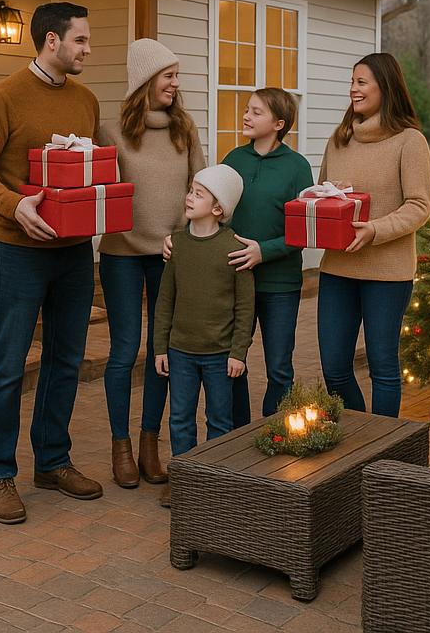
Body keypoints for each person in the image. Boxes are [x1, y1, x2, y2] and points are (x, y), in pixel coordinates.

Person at [0, 1, 103, 525]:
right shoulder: (3, 97)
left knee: (66, 361)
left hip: (74, 254)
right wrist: (14, 204)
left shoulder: (86, 100)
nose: (88, 49)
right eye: (80, 40)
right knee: (8, 364)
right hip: (18, 252)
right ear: (51, 41)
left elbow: (92, 169)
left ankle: (52, 462)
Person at [97, 38, 205, 489]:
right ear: (145, 79)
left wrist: (185, 236)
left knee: (162, 351)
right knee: (125, 351)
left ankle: (149, 444)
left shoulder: (185, 128)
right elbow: (102, 194)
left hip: (170, 255)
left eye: (176, 76)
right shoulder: (110, 131)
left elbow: (200, 184)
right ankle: (121, 446)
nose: (176, 84)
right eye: (168, 76)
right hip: (121, 255)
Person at [316, 52, 430, 418]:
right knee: (334, 368)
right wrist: (331, 194)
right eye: (352, 82)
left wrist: (375, 230)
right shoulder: (339, 140)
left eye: (361, 82)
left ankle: (383, 444)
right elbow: (322, 192)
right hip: (338, 267)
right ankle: (357, 434)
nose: (353, 89)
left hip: (388, 273)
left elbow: (420, 205)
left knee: (382, 367)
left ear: (385, 86)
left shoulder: (409, 141)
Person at [154, 164, 254, 506]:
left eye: (199, 194)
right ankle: (183, 480)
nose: (189, 197)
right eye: (190, 190)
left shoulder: (234, 248)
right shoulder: (177, 245)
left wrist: (238, 353)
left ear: (217, 208)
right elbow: (165, 301)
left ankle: (214, 482)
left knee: (219, 420)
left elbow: (245, 307)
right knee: (180, 419)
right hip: (180, 352)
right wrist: (160, 347)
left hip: (219, 356)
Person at [222, 88, 315, 422]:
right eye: (247, 109)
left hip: (280, 285)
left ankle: (275, 435)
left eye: (256, 112)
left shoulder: (297, 167)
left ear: (279, 123)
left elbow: (304, 230)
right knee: (232, 363)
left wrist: (264, 251)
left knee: (279, 367)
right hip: (235, 281)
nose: (246, 116)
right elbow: (215, 213)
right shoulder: (233, 160)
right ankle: (237, 434)